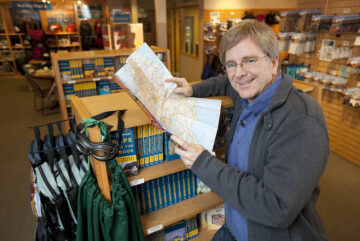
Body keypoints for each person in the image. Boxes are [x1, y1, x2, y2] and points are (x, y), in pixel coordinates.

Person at [166, 19, 329, 241]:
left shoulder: (301, 119)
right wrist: (192, 89)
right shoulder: (249, 91)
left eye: (249, 60)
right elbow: (225, 82)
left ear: (273, 63)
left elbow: (277, 207)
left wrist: (203, 163)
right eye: (231, 63)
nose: (239, 73)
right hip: (234, 228)